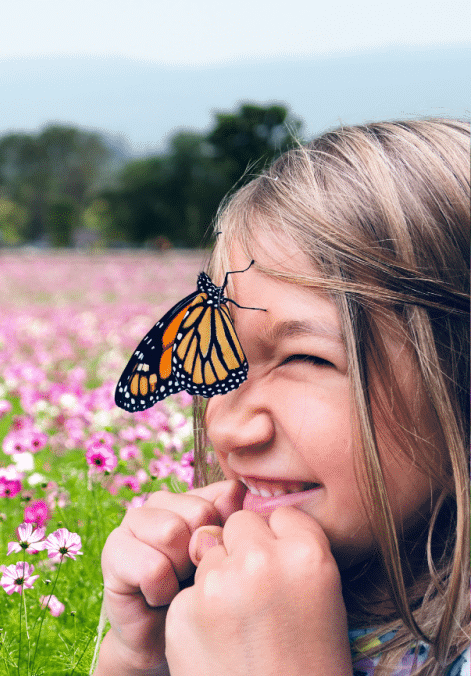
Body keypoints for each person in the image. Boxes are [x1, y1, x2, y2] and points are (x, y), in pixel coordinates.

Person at [95, 119, 469, 675]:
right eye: (224, 366)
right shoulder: (219, 604)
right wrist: (136, 659)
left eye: (307, 359)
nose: (226, 428)